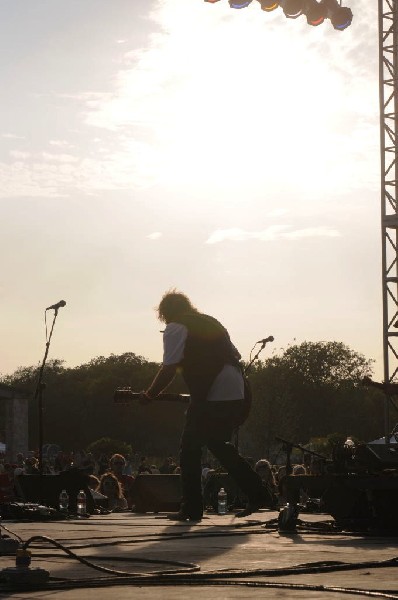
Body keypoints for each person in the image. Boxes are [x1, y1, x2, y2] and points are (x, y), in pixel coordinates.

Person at [141, 290, 268, 521]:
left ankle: (191, 507)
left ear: (165, 313)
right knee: (218, 445)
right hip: (235, 387)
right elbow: (234, 355)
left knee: (189, 449)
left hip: (214, 389)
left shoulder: (176, 326)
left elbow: (169, 368)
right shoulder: (210, 321)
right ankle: (259, 493)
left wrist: (150, 394)